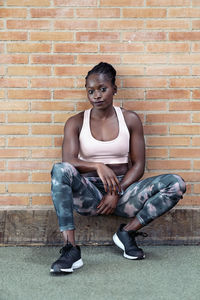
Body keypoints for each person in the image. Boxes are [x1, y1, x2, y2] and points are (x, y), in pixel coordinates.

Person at [50, 62, 186, 274]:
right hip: (89, 195)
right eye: (91, 91)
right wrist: (98, 165)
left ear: (115, 88)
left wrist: (116, 191)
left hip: (124, 193)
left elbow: (139, 165)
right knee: (59, 170)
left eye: (102, 89)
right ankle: (70, 249)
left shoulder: (130, 119)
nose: (96, 95)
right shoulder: (75, 122)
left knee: (175, 184)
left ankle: (127, 233)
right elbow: (68, 160)